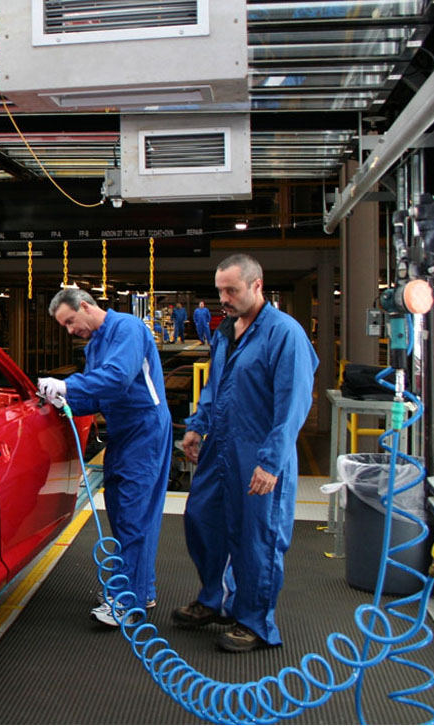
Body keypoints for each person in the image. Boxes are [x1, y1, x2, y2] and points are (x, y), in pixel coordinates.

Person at [173, 254, 318, 652]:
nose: (224, 298)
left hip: (259, 450)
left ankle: (254, 621)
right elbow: (216, 384)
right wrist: (197, 425)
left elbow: (293, 405)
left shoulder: (284, 334)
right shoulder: (226, 331)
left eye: (231, 290)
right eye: (220, 290)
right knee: (202, 521)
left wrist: (271, 462)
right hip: (220, 445)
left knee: (258, 538)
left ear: (257, 286)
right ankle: (214, 601)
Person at [39, 287, 173, 627]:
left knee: (133, 513)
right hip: (125, 432)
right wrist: (62, 401)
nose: (70, 330)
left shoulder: (127, 328)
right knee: (123, 509)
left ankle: (128, 602)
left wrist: (68, 386)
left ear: (85, 306)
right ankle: (140, 589)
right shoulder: (97, 343)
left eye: (70, 321)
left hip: (144, 429)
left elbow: (115, 379)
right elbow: (98, 395)